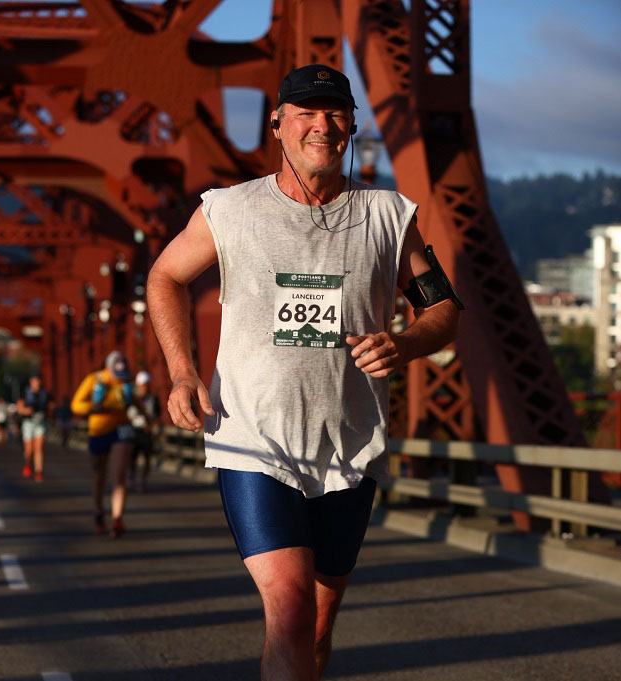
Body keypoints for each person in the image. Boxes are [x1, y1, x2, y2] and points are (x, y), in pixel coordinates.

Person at [147, 63, 462, 681]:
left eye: (335, 112)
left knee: (315, 626)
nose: (322, 125)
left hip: (349, 448)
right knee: (289, 608)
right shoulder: (230, 210)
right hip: (253, 441)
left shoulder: (387, 216)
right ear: (278, 125)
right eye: (306, 113)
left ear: (350, 125)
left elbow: (444, 309)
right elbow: (165, 275)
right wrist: (182, 371)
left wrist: (406, 343)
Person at [71, 351, 137, 538]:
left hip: (121, 429)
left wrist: (147, 418)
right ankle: (99, 512)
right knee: (99, 475)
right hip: (98, 431)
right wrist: (93, 407)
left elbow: (136, 402)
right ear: (109, 368)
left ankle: (117, 518)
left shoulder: (126, 382)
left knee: (119, 476)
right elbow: (75, 404)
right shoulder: (94, 380)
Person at [127, 370, 160, 493]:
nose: (144, 388)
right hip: (134, 430)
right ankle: (131, 479)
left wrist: (152, 422)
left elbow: (158, 414)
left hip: (146, 432)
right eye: (142, 385)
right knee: (132, 458)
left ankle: (143, 482)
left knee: (147, 458)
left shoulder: (152, 398)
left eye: (146, 385)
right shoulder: (132, 398)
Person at [17, 374, 51, 482]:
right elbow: (19, 408)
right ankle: (28, 464)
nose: (36, 384)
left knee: (38, 448)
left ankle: (38, 471)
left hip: (40, 423)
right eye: (34, 381)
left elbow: (51, 405)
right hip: (28, 423)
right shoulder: (25, 393)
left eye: (38, 381)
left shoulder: (44, 393)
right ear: (31, 382)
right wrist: (27, 411)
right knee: (29, 450)